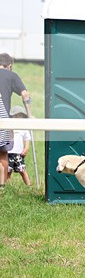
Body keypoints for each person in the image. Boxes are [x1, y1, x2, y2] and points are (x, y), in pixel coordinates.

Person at [0, 53, 32, 187]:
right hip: (3, 119)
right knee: (3, 153)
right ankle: (2, 186)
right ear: (10, 65)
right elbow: (25, 94)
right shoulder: (12, 75)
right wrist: (29, 113)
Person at [6, 106, 31, 186]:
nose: (18, 118)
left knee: (22, 170)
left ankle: (29, 186)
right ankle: (8, 186)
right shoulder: (8, 127)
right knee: (8, 171)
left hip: (19, 154)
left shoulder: (23, 128)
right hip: (9, 152)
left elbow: (27, 139)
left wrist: (26, 148)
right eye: (16, 116)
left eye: (21, 116)